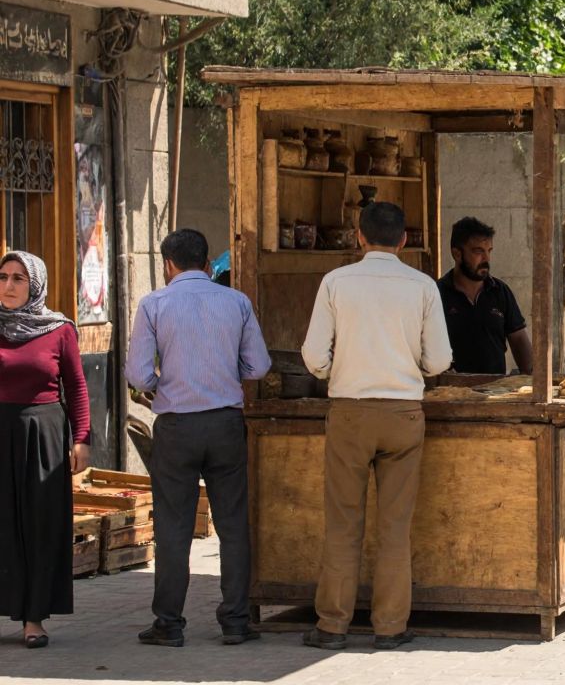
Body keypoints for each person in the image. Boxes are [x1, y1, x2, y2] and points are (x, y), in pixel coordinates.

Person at [300, 203, 453, 651]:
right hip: (404, 414)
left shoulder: (335, 283)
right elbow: (440, 360)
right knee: (395, 525)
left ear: (359, 237)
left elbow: (312, 355)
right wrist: (415, 366)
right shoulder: (422, 286)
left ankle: (332, 625)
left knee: (343, 524)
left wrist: (334, 370)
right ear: (404, 240)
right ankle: (390, 627)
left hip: (349, 411)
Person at [125, 229, 271, 647]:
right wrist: (225, 374)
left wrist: (159, 382)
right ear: (208, 264)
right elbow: (258, 366)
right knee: (232, 525)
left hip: (176, 426)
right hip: (226, 423)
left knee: (173, 528)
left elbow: (137, 375)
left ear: (168, 265)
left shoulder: (154, 304)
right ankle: (236, 621)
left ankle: (169, 623)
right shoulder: (237, 302)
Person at [0, 251, 90, 649]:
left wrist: (82, 439)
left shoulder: (59, 329)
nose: (8, 286)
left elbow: (77, 386)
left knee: (40, 526)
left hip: (44, 433)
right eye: (3, 277)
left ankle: (33, 618)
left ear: (34, 284)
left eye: (19, 278)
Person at [438, 217, 531, 375]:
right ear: (457, 254)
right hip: (450, 392)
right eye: (478, 251)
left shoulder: (500, 291)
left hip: (496, 391)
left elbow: (519, 339)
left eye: (489, 251)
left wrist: (531, 381)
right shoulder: (437, 293)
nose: (486, 259)